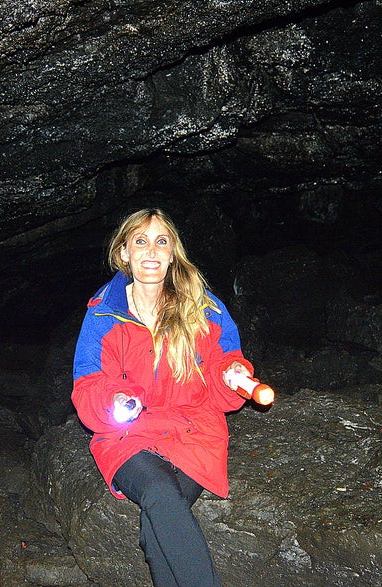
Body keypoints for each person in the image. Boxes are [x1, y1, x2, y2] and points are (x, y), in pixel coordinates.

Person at [71, 208, 255, 587]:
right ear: (124, 253)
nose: (150, 251)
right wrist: (116, 401)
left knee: (158, 533)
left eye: (161, 242)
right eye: (140, 241)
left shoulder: (206, 309)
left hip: (193, 431)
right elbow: (88, 384)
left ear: (173, 253)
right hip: (128, 436)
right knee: (158, 492)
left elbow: (225, 372)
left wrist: (233, 376)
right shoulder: (103, 315)